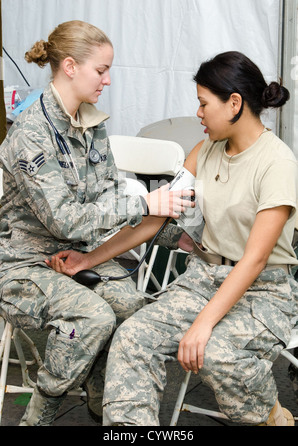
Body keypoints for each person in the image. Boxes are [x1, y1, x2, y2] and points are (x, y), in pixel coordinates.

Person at [50, 51, 298, 426]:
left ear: (234, 103)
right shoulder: (205, 150)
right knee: (132, 338)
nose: (198, 113)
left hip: (263, 289)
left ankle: (271, 416)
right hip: (204, 279)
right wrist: (88, 260)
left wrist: (202, 324)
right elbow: (155, 221)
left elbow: (255, 260)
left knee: (215, 352)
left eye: (203, 104)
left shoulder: (277, 163)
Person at [0, 20, 193, 426]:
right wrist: (144, 202)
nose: (107, 80)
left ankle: (108, 408)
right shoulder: (32, 134)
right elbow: (67, 219)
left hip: (76, 254)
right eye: (101, 70)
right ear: (70, 67)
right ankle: (40, 412)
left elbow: (105, 197)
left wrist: (180, 236)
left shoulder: (91, 123)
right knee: (93, 318)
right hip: (22, 264)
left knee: (134, 312)